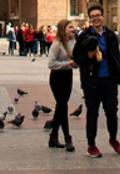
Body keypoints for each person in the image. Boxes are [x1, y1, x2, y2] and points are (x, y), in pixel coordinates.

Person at [72, 5, 120, 159]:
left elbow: (116, 56)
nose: (96, 18)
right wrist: (88, 56)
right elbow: (77, 57)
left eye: (98, 15)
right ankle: (91, 145)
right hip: (92, 81)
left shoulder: (111, 35)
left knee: (112, 112)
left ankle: (113, 138)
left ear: (103, 16)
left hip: (109, 80)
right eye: (93, 16)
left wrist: (117, 75)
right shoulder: (84, 36)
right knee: (92, 113)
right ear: (90, 18)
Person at [47, 19, 78, 152]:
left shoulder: (73, 42)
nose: (73, 29)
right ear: (63, 29)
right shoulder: (56, 45)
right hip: (57, 77)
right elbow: (50, 64)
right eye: (70, 27)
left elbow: (75, 59)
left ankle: (53, 136)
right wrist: (68, 64)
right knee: (62, 105)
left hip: (67, 76)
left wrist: (76, 64)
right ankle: (67, 138)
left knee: (62, 106)